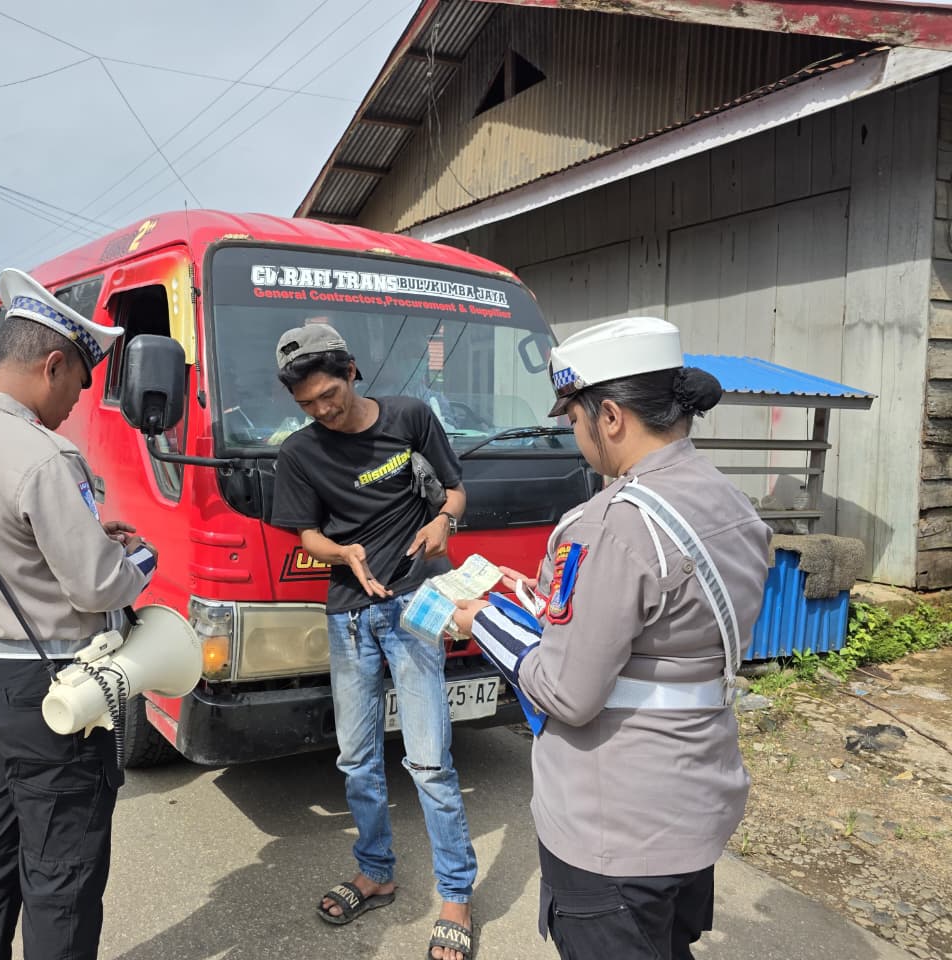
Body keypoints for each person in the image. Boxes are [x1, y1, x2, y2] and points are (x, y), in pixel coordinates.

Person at [450, 317, 771, 960]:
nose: (575, 435)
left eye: (574, 419)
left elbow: (567, 694)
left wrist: (479, 620)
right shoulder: (727, 499)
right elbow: (663, 631)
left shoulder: (610, 523)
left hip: (615, 826)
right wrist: (541, 599)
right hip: (695, 801)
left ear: (612, 417)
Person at [0, 268, 156, 960]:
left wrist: (84, 539)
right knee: (62, 876)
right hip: (47, 694)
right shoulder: (45, 455)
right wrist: (140, 559)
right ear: (52, 364)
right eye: (78, 381)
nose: (77, 400)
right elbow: (98, 587)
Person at [269, 323, 478, 960]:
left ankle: (456, 894)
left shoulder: (410, 417)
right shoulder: (299, 453)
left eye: (329, 395)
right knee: (356, 760)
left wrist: (443, 523)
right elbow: (306, 535)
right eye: (307, 404)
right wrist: (343, 552)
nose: (322, 411)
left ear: (352, 371)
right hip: (349, 616)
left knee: (430, 760)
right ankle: (376, 871)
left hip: (415, 606)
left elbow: (456, 491)